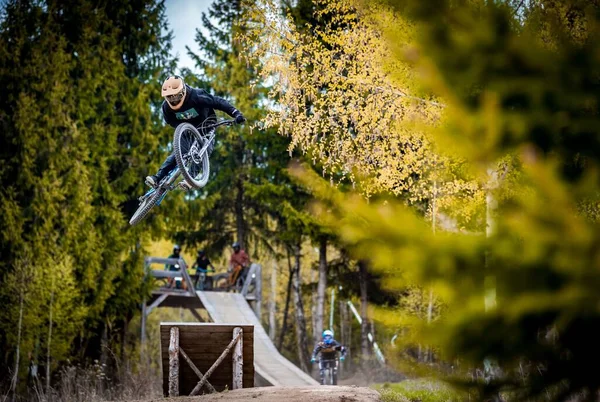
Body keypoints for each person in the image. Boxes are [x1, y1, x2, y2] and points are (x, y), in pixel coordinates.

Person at [145, 75, 246, 190]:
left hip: (206, 124)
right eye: (170, 98)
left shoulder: (196, 96)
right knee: (179, 154)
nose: (174, 100)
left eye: (176, 96)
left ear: (182, 91)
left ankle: (190, 179)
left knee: (203, 151)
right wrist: (183, 128)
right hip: (186, 129)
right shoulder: (166, 107)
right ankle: (157, 178)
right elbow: (170, 121)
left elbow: (218, 102)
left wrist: (236, 113)